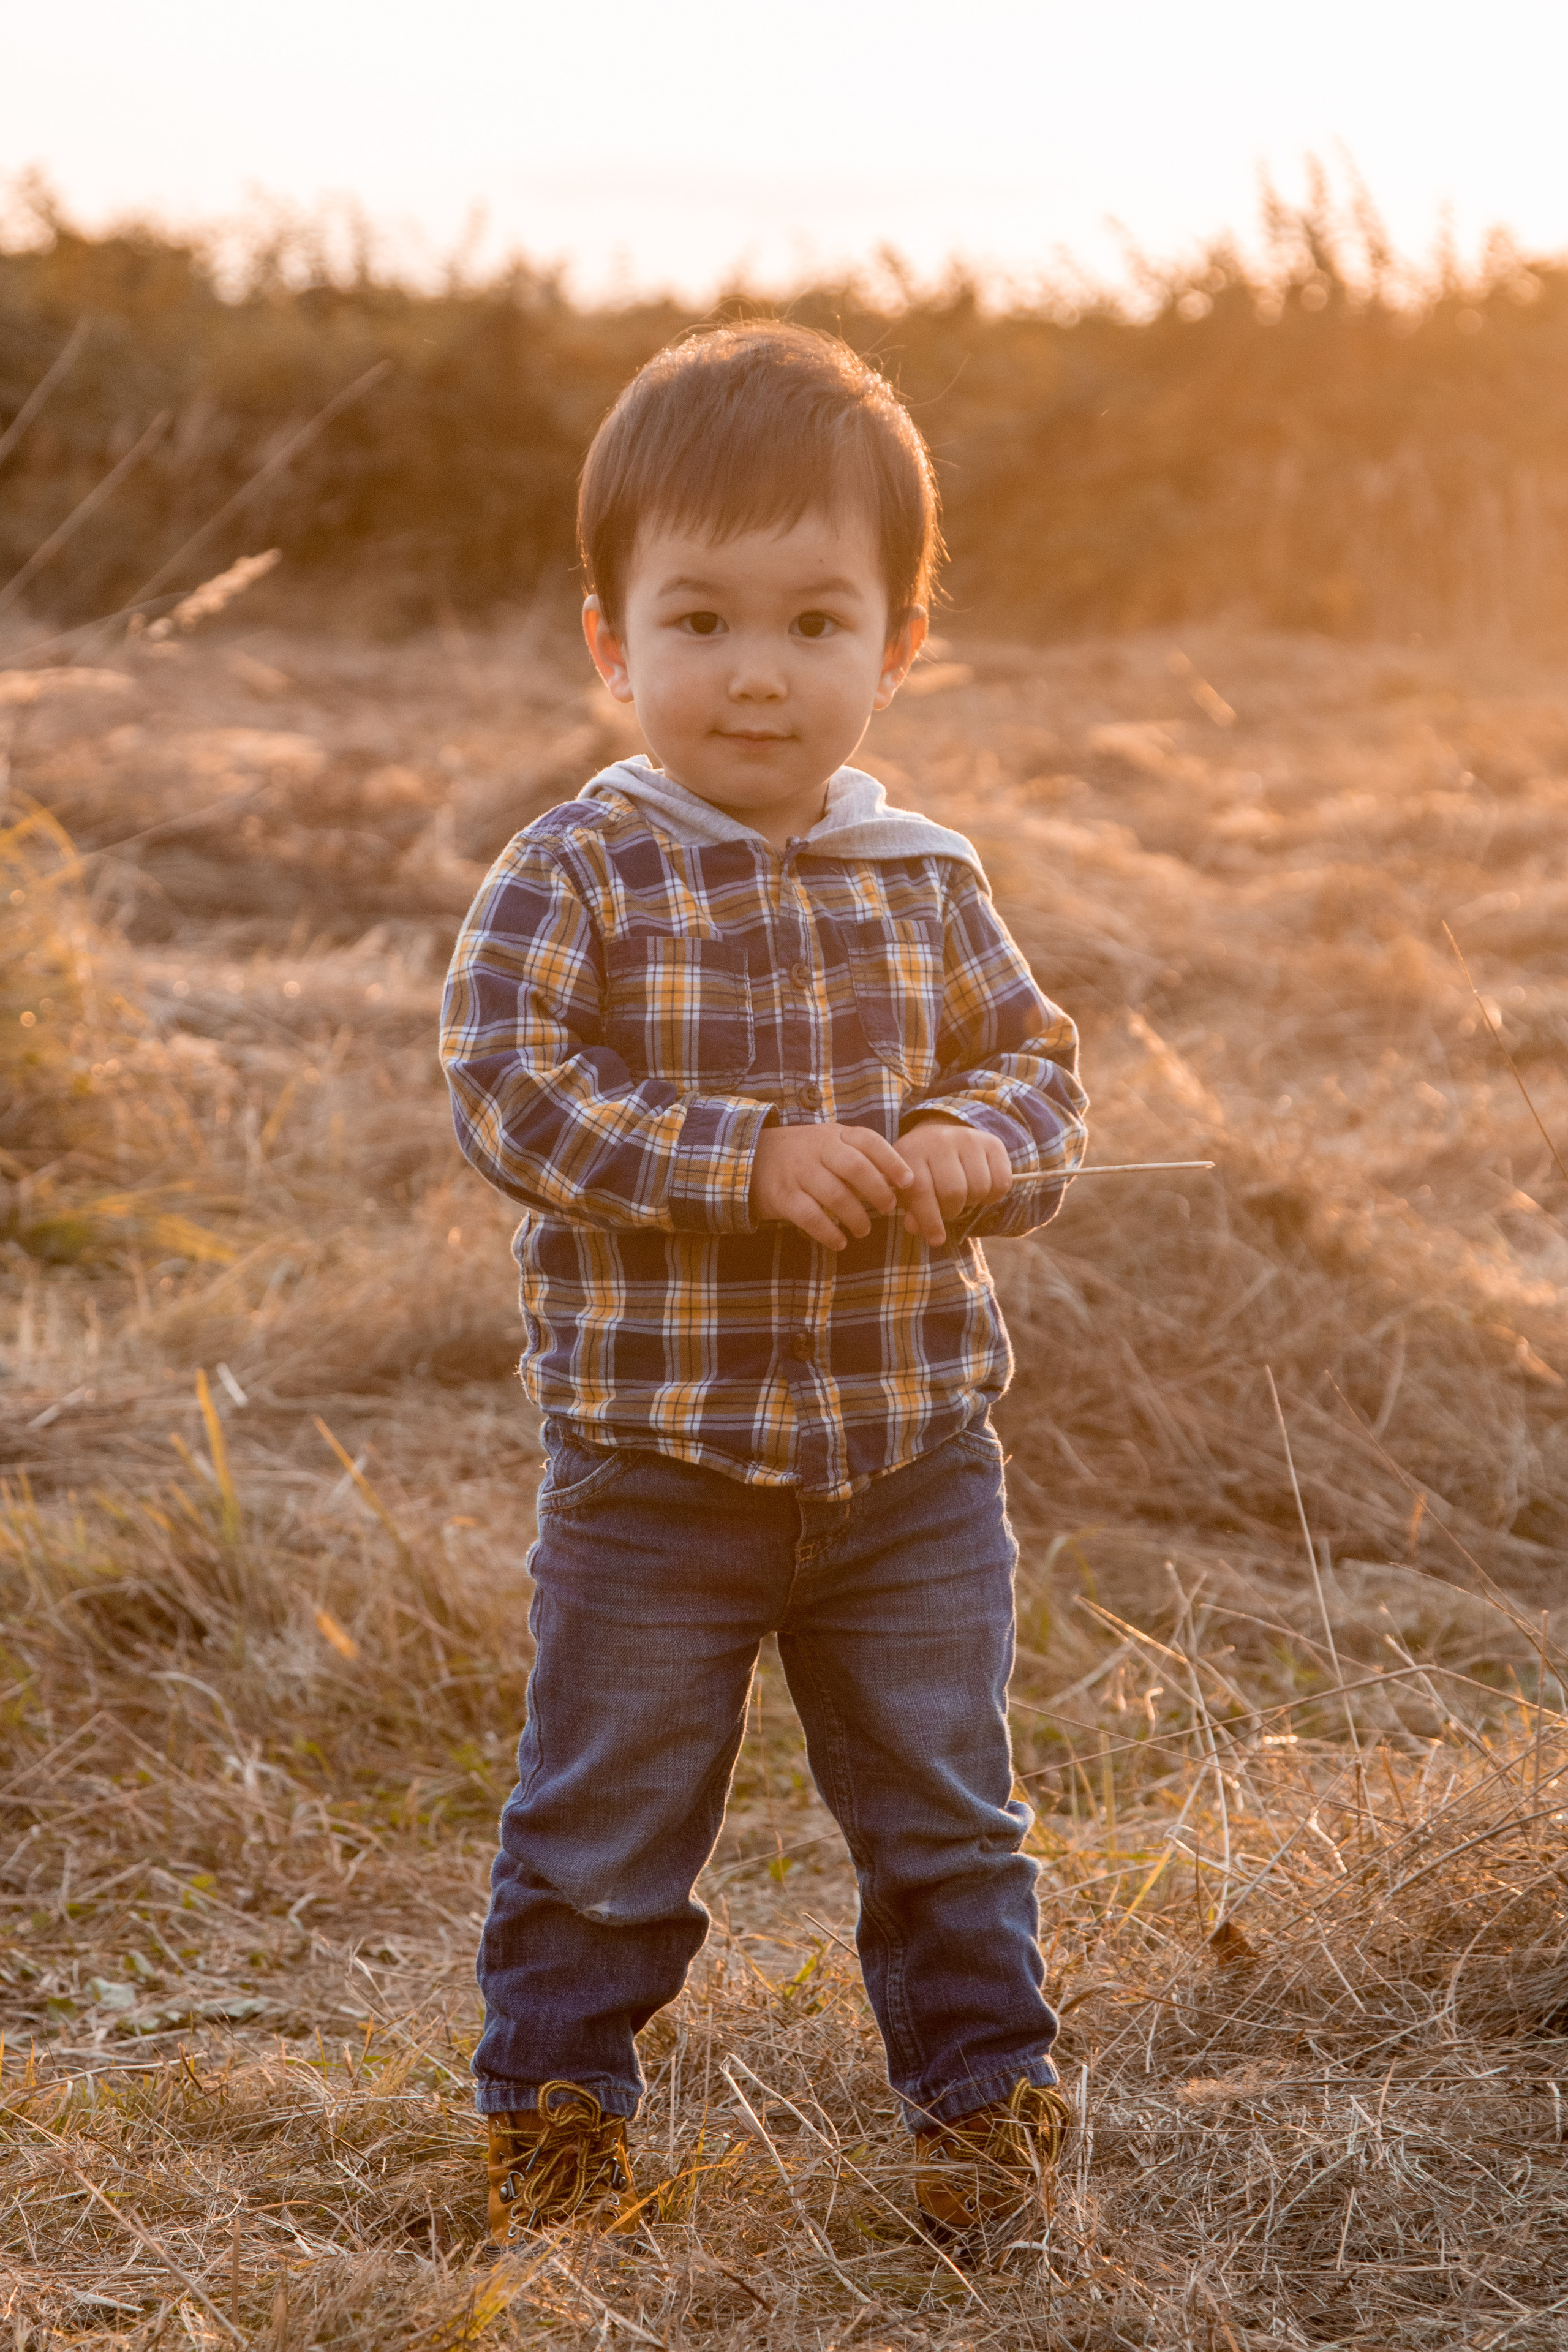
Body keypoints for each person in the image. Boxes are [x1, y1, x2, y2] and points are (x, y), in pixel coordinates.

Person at [440, 320, 1088, 2259]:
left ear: (895, 649)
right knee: (608, 1828)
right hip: (661, 1475)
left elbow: (1039, 1068)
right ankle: (554, 2114)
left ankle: (985, 2110)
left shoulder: (930, 879)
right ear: (610, 644)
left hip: (912, 1472)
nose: (755, 672)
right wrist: (745, 1158)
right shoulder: (579, 874)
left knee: (951, 1818)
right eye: (701, 619)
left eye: (816, 623)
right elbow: (512, 1087)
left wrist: (989, 1149)